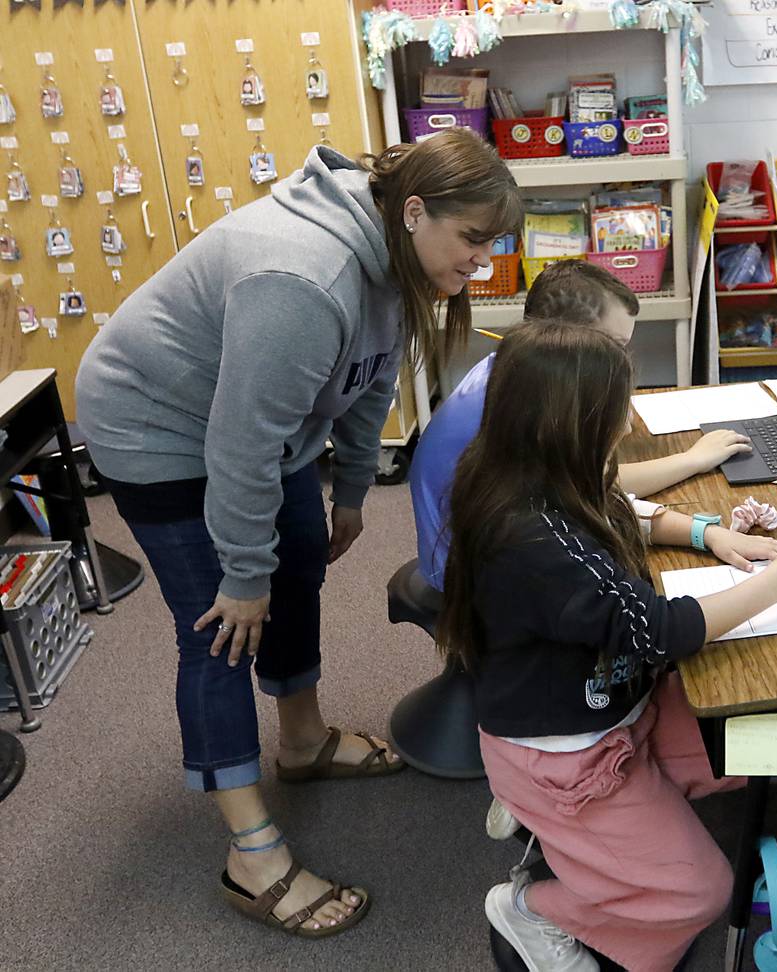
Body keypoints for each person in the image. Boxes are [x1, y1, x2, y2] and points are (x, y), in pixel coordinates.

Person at [74, 129, 521, 937]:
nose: (481, 263)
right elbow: (239, 445)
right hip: (156, 425)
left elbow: (370, 373)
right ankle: (251, 855)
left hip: (248, 425)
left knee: (298, 563)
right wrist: (242, 576)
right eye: (473, 240)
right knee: (217, 625)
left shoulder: (389, 255)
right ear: (415, 210)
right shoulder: (303, 278)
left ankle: (303, 741)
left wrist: (351, 489)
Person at [439, 322, 777, 971]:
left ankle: (571, 839)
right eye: (615, 412)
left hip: (608, 711)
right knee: (697, 892)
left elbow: (624, 506)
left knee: (748, 743)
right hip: (565, 754)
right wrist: (774, 588)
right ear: (571, 422)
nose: (622, 425)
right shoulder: (533, 539)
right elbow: (657, 630)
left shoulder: (536, 473)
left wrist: (709, 535)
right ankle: (534, 907)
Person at [410, 258, 752, 589]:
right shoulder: (527, 406)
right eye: (614, 347)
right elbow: (597, 487)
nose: (619, 362)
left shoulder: (512, 366)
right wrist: (691, 461)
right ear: (569, 337)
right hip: (472, 580)